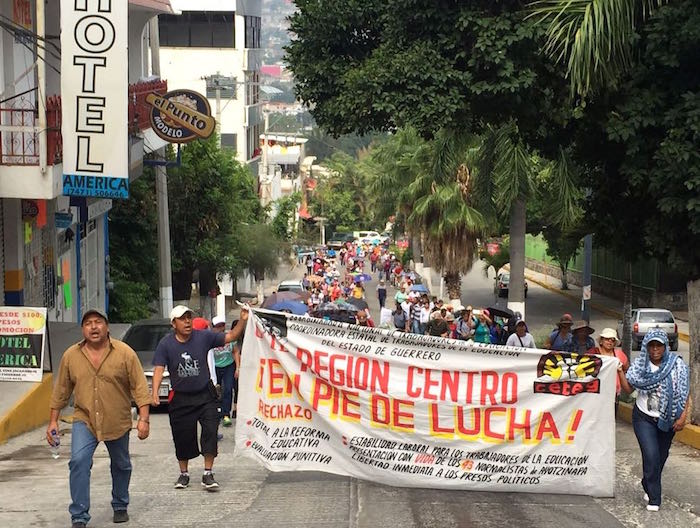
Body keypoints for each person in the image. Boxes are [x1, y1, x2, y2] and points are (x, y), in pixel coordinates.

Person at [48, 309, 151, 527]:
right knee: (78, 462)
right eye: (88, 323)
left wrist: (144, 419)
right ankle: (79, 515)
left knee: (121, 464)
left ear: (107, 327)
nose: (93, 327)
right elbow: (61, 391)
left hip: (117, 419)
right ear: (83, 329)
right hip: (84, 420)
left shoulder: (125, 353)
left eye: (98, 322)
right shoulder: (71, 356)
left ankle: (121, 504)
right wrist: (53, 421)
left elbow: (140, 387)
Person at [152, 305, 248, 491]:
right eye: (182, 318)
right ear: (174, 323)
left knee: (210, 432)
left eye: (189, 317)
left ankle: (207, 473)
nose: (187, 321)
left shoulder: (203, 337)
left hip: (205, 395)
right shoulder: (166, 344)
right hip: (180, 398)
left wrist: (242, 319)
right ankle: (184, 473)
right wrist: (154, 392)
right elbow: (158, 368)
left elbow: (230, 337)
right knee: (182, 436)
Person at [617, 329, 691, 512]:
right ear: (646, 347)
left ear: (665, 347)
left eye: (659, 345)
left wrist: (683, 416)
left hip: (668, 419)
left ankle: (647, 482)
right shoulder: (640, 367)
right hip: (643, 418)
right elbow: (628, 389)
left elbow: (685, 392)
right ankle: (654, 499)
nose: (655, 349)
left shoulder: (677, 366)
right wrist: (619, 371)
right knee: (651, 455)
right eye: (652, 345)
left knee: (661, 457)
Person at [588, 328, 629, 415]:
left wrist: (620, 372)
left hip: (613, 394)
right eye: (607, 339)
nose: (610, 342)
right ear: (601, 341)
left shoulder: (619, 355)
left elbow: (626, 367)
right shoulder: (592, 354)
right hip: (595, 393)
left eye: (613, 340)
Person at [210, 315, 240, 428]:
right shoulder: (210, 338)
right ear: (213, 327)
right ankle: (216, 413)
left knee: (228, 389)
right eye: (218, 326)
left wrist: (237, 367)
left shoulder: (229, 337)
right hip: (215, 366)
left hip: (229, 365)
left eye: (222, 325)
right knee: (214, 390)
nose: (220, 328)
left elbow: (235, 351)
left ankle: (226, 414)